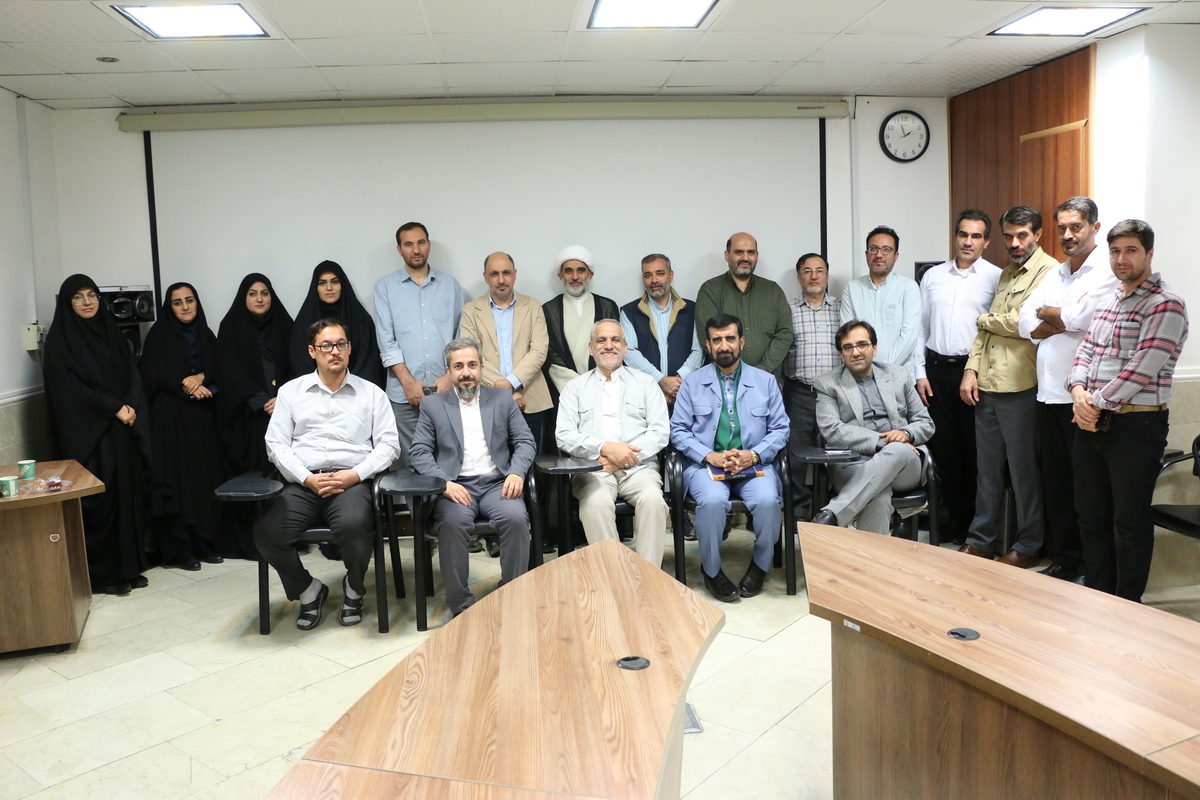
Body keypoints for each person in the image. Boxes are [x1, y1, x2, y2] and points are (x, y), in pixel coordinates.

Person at [1070, 219, 1188, 602]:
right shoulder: (1109, 300)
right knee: (1091, 517)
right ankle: (1099, 598)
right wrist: (1077, 392)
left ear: (1149, 253)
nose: (1122, 259)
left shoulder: (1166, 304)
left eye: (1131, 251)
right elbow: (1085, 350)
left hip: (1137, 426)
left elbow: (1142, 367)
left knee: (1130, 522)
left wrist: (1093, 404)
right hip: (1091, 421)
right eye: (1115, 251)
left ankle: (1127, 606)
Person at [255, 319, 400, 630]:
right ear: (312, 351)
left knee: (356, 526)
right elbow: (275, 444)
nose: (335, 351)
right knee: (267, 533)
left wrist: (355, 474)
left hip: (351, 483)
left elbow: (389, 446)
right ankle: (308, 590)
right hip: (303, 483)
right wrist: (306, 478)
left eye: (341, 344)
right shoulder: (292, 392)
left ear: (349, 348)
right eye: (326, 346)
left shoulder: (371, 393)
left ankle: (354, 589)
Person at [1019, 196, 1119, 582]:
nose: (1067, 235)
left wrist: (1053, 315)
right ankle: (1065, 560)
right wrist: (1057, 318)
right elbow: (1024, 322)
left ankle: (1092, 570)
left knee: (1087, 490)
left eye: (1076, 227)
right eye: (1062, 228)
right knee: (1057, 484)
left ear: (1094, 228)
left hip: (1083, 398)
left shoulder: (1105, 270)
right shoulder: (1055, 273)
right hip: (1046, 395)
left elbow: (1086, 317)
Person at [408, 337, 536, 618]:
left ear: (481, 368)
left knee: (515, 519)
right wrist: (443, 483)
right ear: (449, 371)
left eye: (472, 365)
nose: (466, 372)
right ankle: (461, 606)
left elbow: (525, 441)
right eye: (458, 366)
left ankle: (512, 595)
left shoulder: (502, 399)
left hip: (496, 484)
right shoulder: (433, 405)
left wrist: (516, 472)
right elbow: (419, 452)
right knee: (453, 524)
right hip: (455, 486)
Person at [958, 206, 1057, 566]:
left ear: (1038, 235)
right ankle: (981, 539)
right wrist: (971, 369)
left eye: (1022, 235)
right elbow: (987, 333)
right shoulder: (1006, 273)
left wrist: (985, 318)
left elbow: (1024, 324)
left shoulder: (1050, 272)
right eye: (1009, 236)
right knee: (987, 471)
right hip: (987, 384)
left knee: (1023, 471)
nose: (1015, 243)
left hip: (1020, 387)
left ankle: (1028, 545)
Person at [670, 314, 789, 602]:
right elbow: (677, 430)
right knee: (711, 501)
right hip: (706, 466)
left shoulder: (765, 382)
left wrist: (753, 455)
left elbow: (781, 429)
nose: (724, 346)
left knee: (767, 501)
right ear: (708, 345)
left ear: (742, 342)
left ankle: (760, 566)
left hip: (754, 464)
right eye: (717, 340)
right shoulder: (692, 383)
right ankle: (711, 570)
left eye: (730, 338)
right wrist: (708, 455)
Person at [43, 274, 150, 595]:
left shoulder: (110, 332)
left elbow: (131, 372)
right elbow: (70, 391)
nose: (87, 302)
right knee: (100, 503)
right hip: (91, 437)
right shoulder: (60, 343)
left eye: (92, 295)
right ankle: (103, 576)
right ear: (67, 303)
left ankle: (129, 567)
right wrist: (114, 407)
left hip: (121, 430)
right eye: (78, 297)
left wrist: (129, 406)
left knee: (126, 498)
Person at [914, 211, 1001, 542]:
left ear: (986, 241)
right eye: (963, 234)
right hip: (936, 372)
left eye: (976, 236)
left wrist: (974, 370)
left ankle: (976, 530)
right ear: (955, 236)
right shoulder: (933, 276)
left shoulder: (995, 277)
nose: (968, 242)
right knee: (944, 451)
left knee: (975, 452)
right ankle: (953, 522)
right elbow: (921, 327)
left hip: (973, 374)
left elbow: (994, 332)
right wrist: (920, 372)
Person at [556, 320, 670, 566]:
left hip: (639, 469)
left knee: (653, 502)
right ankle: (616, 577)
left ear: (625, 348)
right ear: (591, 348)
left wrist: (624, 458)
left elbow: (660, 431)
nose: (609, 345)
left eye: (615, 340)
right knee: (595, 505)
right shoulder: (574, 388)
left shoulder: (646, 383)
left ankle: (648, 577)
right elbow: (564, 434)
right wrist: (605, 448)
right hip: (593, 470)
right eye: (601, 340)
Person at [811, 320, 933, 534]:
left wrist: (905, 434)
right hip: (854, 463)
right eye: (848, 347)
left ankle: (832, 514)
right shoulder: (828, 383)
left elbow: (926, 422)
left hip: (904, 464)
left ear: (874, 348)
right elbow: (832, 429)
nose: (856, 352)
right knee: (878, 496)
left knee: (896, 450)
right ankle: (871, 556)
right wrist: (882, 442)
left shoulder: (898, 375)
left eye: (862, 344)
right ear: (841, 354)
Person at [139, 282, 227, 570]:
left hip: (202, 420)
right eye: (178, 302)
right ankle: (181, 549)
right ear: (170, 307)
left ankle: (205, 542)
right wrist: (185, 385)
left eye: (190, 300)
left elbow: (220, 368)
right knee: (178, 482)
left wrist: (202, 378)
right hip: (171, 422)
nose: (185, 306)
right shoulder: (158, 336)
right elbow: (154, 375)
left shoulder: (206, 334)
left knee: (203, 479)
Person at [374, 221, 464, 467]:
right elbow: (386, 341)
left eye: (421, 243)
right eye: (408, 244)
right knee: (410, 466)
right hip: (404, 394)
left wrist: (449, 378)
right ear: (399, 249)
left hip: (447, 389)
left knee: (449, 462)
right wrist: (408, 383)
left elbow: (460, 337)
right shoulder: (385, 288)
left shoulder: (451, 286)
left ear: (429, 245)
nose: (416, 250)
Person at [458, 251, 551, 447]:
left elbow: (539, 350)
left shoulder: (533, 306)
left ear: (515, 274)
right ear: (485, 277)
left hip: (529, 400)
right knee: (491, 461)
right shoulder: (470, 310)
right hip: (487, 399)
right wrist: (506, 392)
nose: (501, 280)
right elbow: (471, 356)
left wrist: (511, 382)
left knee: (529, 459)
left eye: (506, 273)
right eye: (494, 274)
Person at [216, 273, 292, 476]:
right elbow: (229, 370)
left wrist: (283, 398)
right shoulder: (230, 328)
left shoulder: (285, 325)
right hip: (247, 416)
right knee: (254, 475)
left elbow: (297, 366)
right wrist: (260, 400)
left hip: (283, 412)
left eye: (265, 293)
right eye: (252, 294)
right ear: (244, 297)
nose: (259, 299)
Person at [783, 253, 841, 513]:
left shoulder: (842, 309)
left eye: (819, 270)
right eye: (807, 271)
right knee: (795, 455)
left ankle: (831, 511)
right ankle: (797, 512)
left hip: (836, 394)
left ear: (827, 276)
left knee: (836, 453)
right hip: (799, 393)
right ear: (799, 277)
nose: (814, 276)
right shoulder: (787, 311)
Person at [695, 232, 792, 375]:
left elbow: (785, 333)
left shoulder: (773, 290)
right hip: (724, 379)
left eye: (751, 252)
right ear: (727, 255)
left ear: (756, 255)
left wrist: (762, 370)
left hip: (767, 379)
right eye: (739, 252)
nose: (745, 258)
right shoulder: (710, 290)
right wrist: (735, 372)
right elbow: (707, 335)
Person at [619, 253, 702, 405]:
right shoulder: (629, 312)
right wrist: (660, 380)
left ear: (671, 275)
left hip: (686, 393)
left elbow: (699, 350)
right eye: (648, 275)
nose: (654, 280)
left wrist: (677, 382)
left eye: (660, 273)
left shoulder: (692, 309)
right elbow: (629, 351)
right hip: (644, 396)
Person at [841, 225, 922, 378]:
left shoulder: (908, 287)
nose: (879, 255)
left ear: (896, 255)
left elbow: (909, 337)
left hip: (898, 376)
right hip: (860, 377)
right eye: (873, 249)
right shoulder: (852, 288)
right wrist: (865, 371)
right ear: (866, 254)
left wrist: (880, 371)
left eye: (886, 249)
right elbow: (848, 335)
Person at [289, 260, 385, 387]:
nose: (329, 288)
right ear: (315, 287)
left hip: (357, 391)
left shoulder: (361, 320)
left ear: (342, 285)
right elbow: (299, 364)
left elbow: (369, 362)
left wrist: (348, 388)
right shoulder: (304, 323)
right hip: (314, 393)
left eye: (335, 281)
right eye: (322, 283)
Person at [543, 245, 620, 397]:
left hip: (603, 389)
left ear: (590, 274)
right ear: (560, 275)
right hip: (564, 391)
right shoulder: (549, 310)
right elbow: (550, 354)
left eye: (581, 270)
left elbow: (614, 347)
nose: (575, 277)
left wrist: (597, 383)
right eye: (568, 271)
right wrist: (577, 386)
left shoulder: (607, 306)